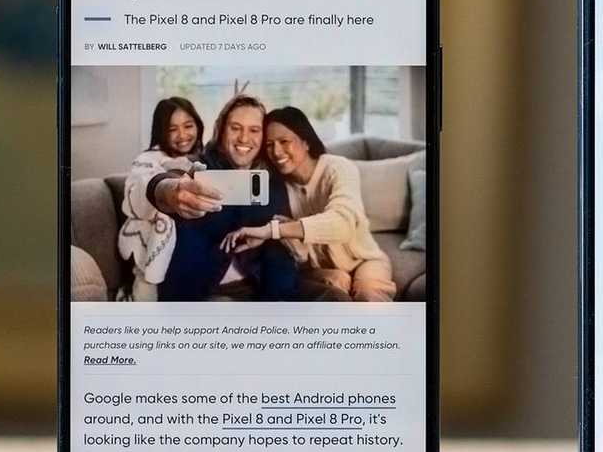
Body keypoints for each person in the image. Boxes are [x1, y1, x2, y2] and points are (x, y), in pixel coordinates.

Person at [225, 106, 397, 302]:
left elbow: (342, 223)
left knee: (368, 294)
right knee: (335, 289)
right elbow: (297, 252)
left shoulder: (338, 168)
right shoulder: (277, 186)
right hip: (318, 270)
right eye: (269, 144)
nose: (276, 151)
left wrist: (271, 231)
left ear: (306, 142)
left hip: (363, 261)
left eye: (284, 141)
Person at [155, 92, 300, 301]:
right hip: (204, 291)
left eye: (254, 130)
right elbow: (169, 178)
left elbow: (288, 237)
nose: (243, 138)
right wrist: (169, 188)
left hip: (263, 288)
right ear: (222, 131)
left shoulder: (272, 178)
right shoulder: (200, 168)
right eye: (235, 128)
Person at [117, 97, 219, 301]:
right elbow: (139, 189)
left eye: (188, 126)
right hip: (154, 237)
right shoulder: (148, 160)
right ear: (160, 131)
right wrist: (166, 189)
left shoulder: (205, 157)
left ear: (198, 125)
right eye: (172, 129)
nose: (182, 135)